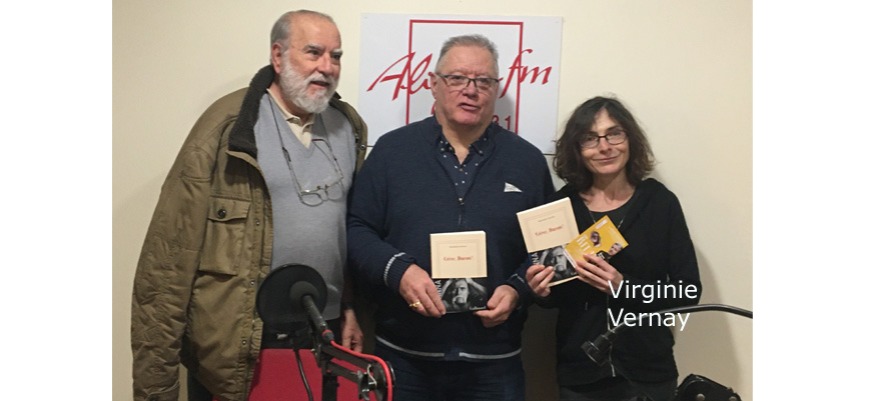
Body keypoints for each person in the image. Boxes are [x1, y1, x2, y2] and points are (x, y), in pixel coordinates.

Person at [130, 10, 367, 401]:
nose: (327, 67)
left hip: (321, 337)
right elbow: (168, 261)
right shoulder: (226, 127)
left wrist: (351, 307)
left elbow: (350, 233)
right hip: (239, 343)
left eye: (335, 56)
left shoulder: (348, 127)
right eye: (313, 52)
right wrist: (156, 388)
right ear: (278, 56)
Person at [347, 34, 554, 401]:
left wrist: (517, 289)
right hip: (403, 358)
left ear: (496, 89)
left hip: (495, 362)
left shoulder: (527, 161)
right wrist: (399, 271)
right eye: (457, 78)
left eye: (483, 81)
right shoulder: (392, 151)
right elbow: (356, 229)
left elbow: (550, 249)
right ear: (433, 84)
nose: (470, 90)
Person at [526, 96, 702, 401]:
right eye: (590, 138)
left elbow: (687, 293)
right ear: (577, 149)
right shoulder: (559, 208)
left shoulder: (660, 203)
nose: (604, 146)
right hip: (580, 373)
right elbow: (554, 299)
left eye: (614, 134)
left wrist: (623, 286)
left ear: (630, 139)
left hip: (648, 372)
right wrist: (540, 291)